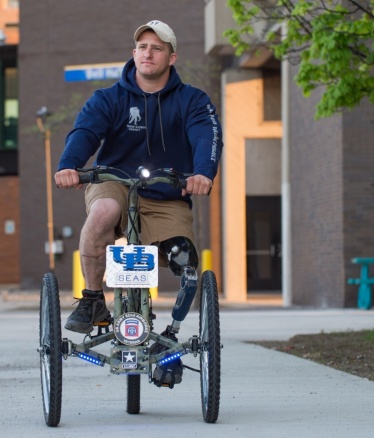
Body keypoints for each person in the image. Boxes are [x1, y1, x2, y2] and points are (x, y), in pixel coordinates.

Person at [54, 20, 222, 387]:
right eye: (142, 47)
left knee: (186, 261)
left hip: (166, 193)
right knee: (102, 214)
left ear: (171, 57)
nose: (148, 53)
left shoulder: (192, 100)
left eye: (157, 48)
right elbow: (85, 132)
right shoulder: (109, 98)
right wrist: (69, 166)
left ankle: (172, 335)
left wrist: (203, 172)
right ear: (134, 54)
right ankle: (93, 299)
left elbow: (206, 134)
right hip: (114, 183)